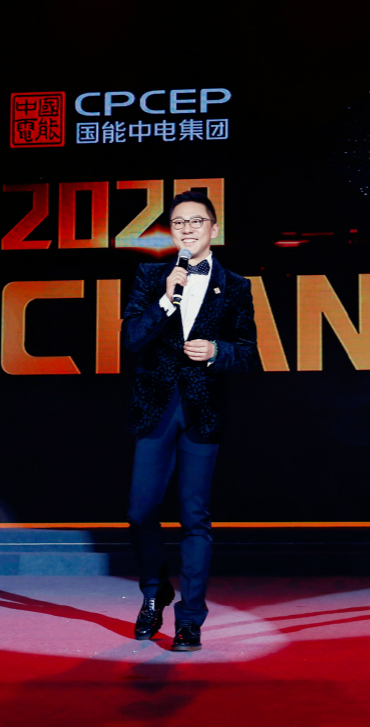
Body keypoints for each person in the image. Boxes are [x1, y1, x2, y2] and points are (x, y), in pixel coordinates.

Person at [121, 190, 257, 651]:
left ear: (214, 228)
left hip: (203, 408)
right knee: (140, 510)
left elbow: (249, 352)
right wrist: (165, 300)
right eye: (179, 222)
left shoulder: (236, 285)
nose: (187, 229)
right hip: (155, 407)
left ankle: (191, 618)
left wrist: (218, 351)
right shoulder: (151, 276)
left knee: (194, 515)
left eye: (196, 221)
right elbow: (131, 339)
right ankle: (154, 591)